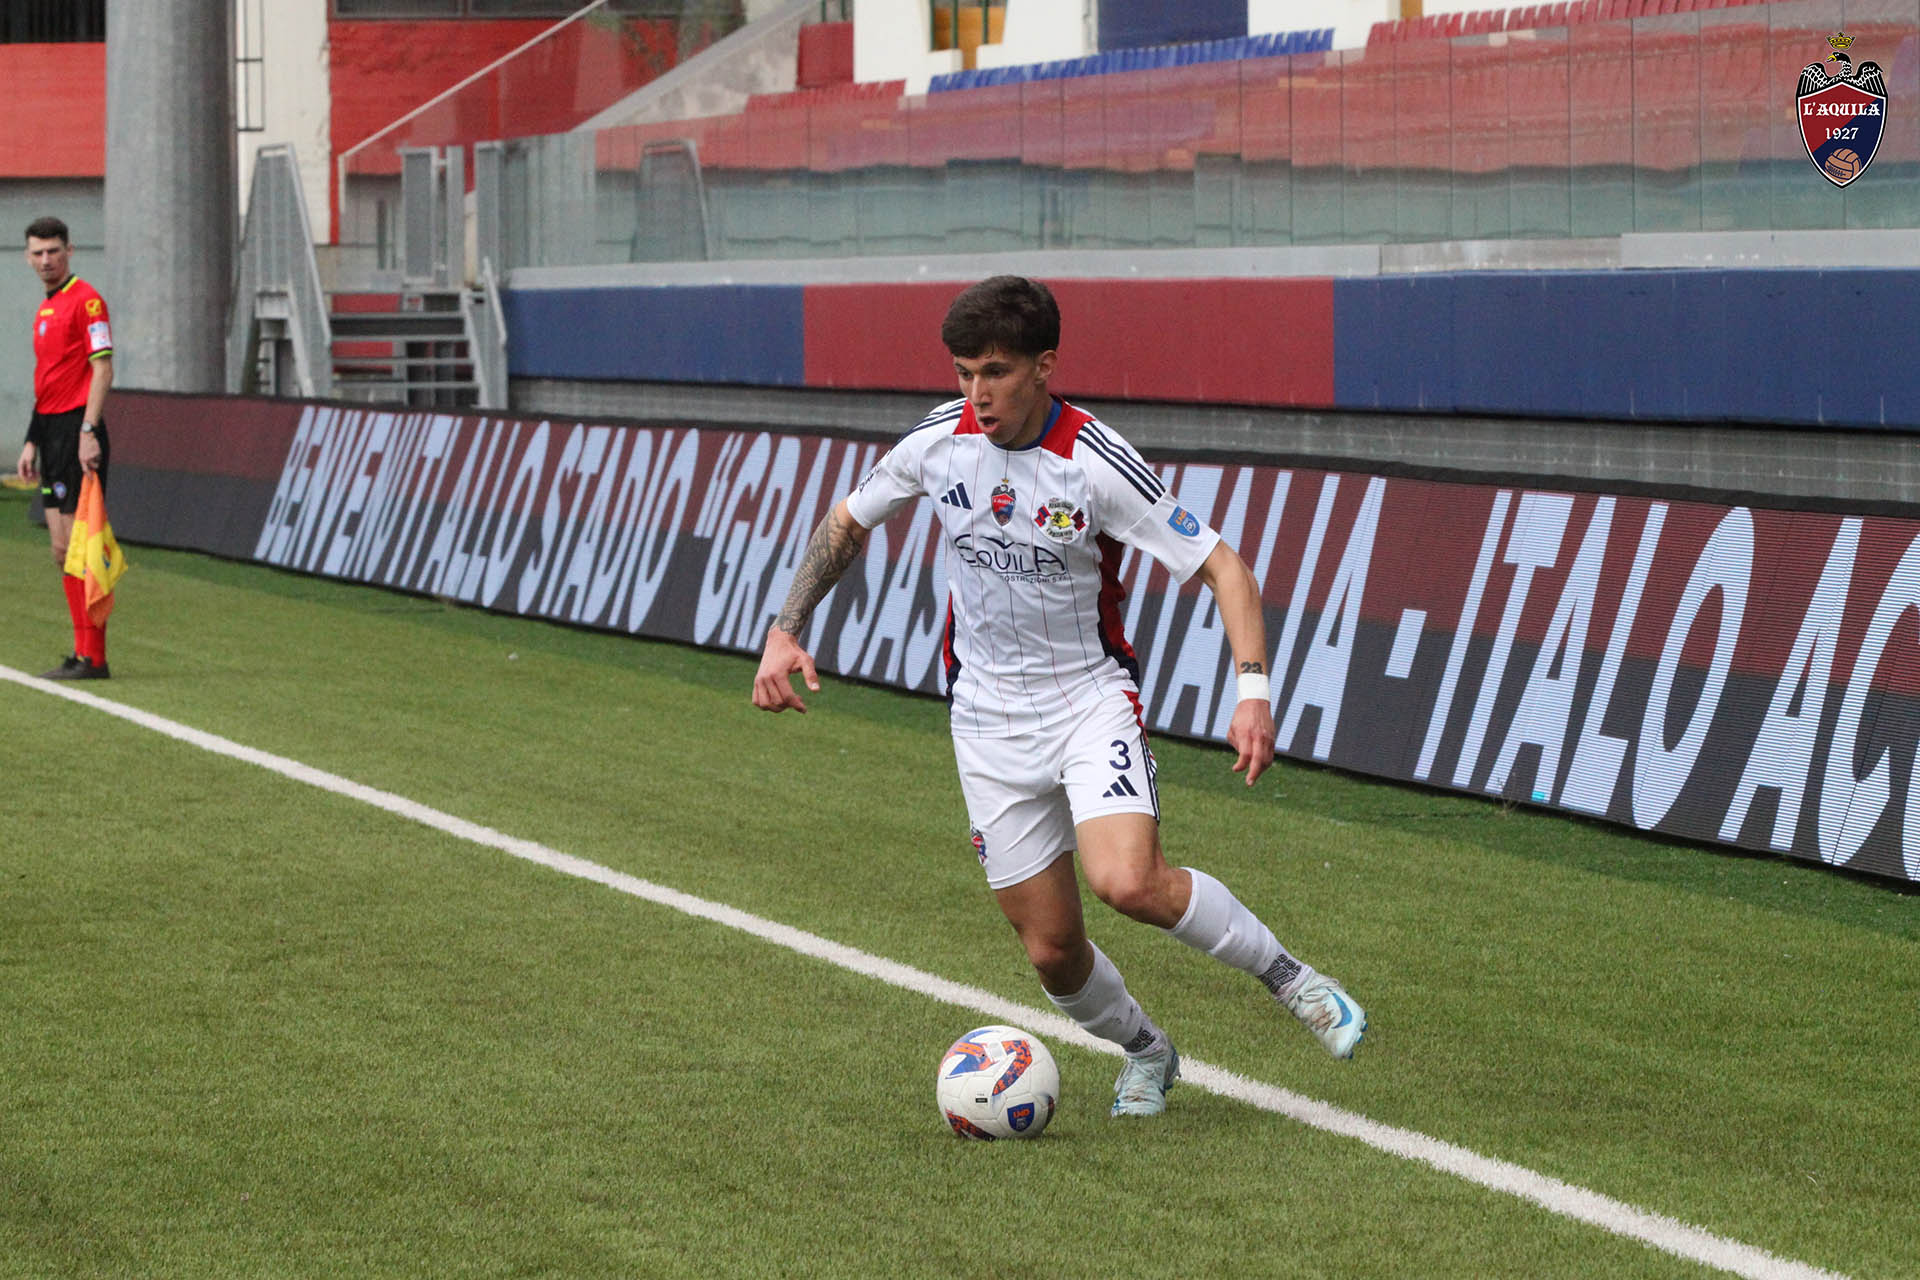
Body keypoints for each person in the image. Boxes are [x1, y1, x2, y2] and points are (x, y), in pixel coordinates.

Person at [752, 275, 1365, 1117]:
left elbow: (1225, 568)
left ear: (1044, 366)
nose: (977, 394)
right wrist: (786, 628)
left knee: (1129, 882)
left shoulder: (1095, 463)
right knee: (1050, 950)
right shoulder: (938, 442)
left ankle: (1294, 981)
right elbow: (849, 520)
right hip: (985, 722)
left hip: (1087, 703)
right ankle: (1147, 1052)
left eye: (995, 372)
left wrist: (1252, 692)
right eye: (964, 373)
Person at [15, 216, 113, 679]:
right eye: (37, 252)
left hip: (77, 431)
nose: (46, 260)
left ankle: (96, 658)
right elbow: (47, 382)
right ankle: (79, 653)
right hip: (51, 435)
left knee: (82, 548)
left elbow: (103, 369)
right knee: (60, 549)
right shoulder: (45, 309)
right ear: (27, 257)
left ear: (69, 251)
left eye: (53, 250)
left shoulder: (87, 301)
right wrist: (31, 440)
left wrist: (88, 430)